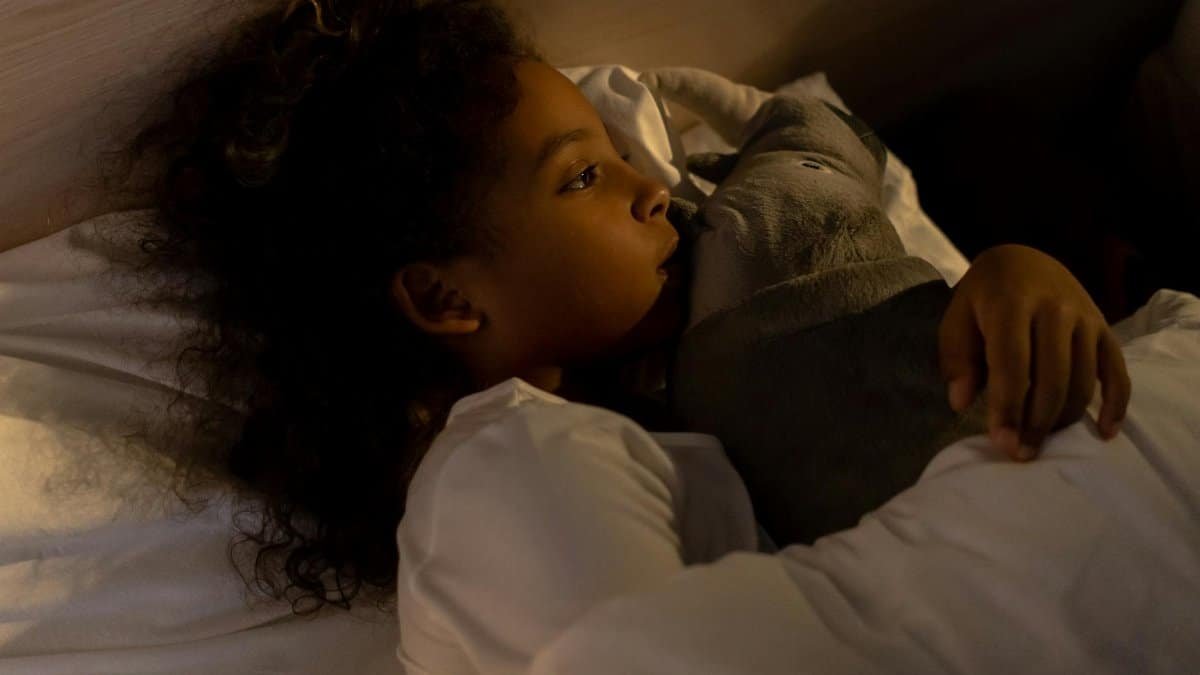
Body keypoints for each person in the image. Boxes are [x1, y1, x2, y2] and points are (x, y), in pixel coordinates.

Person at [96, 0, 1131, 670]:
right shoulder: (511, 475)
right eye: (585, 176)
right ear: (447, 300)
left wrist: (1012, 276)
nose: (656, 189)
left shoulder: (672, 392)